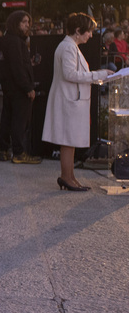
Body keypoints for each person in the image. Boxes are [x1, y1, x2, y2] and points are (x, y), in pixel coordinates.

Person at [42, 13, 111, 191]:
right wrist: (99, 74)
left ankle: (70, 177)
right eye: (88, 32)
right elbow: (70, 74)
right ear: (78, 31)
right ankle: (67, 177)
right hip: (68, 99)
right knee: (68, 141)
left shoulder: (70, 46)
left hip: (70, 98)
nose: (90, 35)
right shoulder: (68, 48)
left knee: (69, 141)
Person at [0, 10, 41, 164]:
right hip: (18, 88)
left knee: (7, 119)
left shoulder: (6, 40)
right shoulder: (15, 41)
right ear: (16, 23)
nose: (27, 25)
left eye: (28, 22)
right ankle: (19, 152)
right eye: (24, 22)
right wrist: (28, 87)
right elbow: (17, 68)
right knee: (20, 121)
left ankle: (3, 150)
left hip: (9, 86)